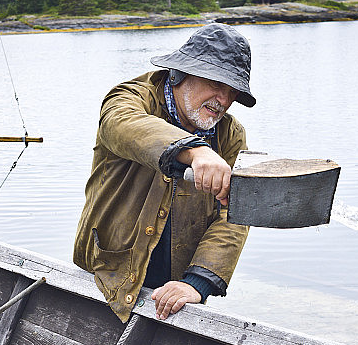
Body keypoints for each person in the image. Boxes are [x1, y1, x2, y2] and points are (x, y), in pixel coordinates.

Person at [73, 23, 256, 322]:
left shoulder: (230, 134)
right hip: (105, 278)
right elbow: (120, 123)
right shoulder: (130, 98)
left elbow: (235, 213)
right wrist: (195, 150)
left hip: (175, 292)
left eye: (232, 91)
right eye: (216, 84)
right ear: (182, 72)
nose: (223, 100)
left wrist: (197, 283)